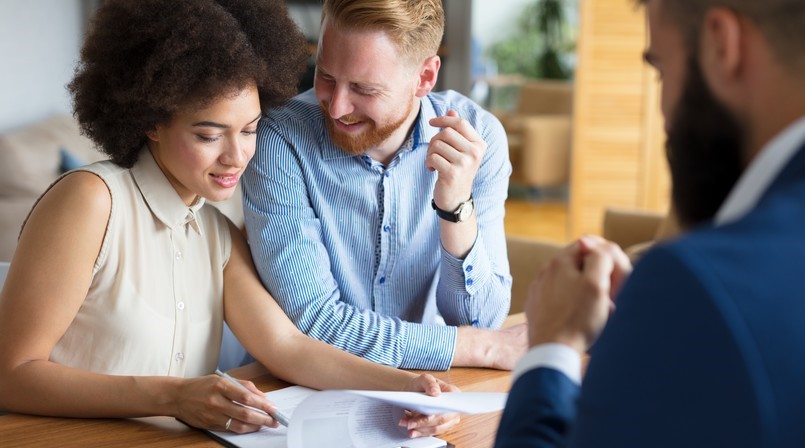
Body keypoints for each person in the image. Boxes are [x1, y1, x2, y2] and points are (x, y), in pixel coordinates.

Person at [0, 0, 460, 438]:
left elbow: (288, 347)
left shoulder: (215, 232)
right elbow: (12, 374)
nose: (237, 157)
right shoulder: (91, 201)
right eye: (208, 134)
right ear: (151, 121)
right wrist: (173, 396)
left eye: (250, 129)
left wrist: (409, 386)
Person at [495, 0, 805, 446]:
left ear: (721, 44)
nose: (664, 114)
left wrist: (552, 347)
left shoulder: (698, 286)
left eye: (660, 69)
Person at [241, 0, 526, 372]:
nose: (338, 106)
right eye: (325, 75)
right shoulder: (281, 138)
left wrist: (456, 207)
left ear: (424, 78)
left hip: (427, 392)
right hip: (299, 391)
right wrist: (477, 349)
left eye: (363, 88)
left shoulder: (478, 138)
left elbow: (479, 321)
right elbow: (313, 322)